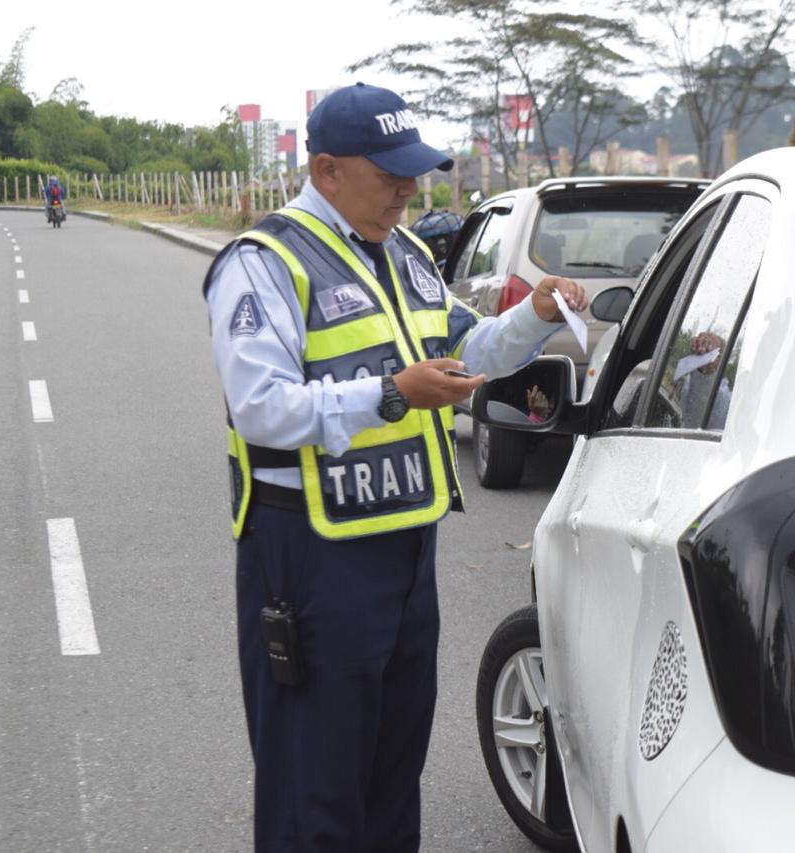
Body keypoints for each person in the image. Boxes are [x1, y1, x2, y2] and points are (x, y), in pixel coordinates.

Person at [201, 83, 587, 852]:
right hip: (312, 555)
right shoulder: (265, 262)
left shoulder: (406, 253)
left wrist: (533, 317)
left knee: (390, 771)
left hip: (407, 550)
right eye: (390, 175)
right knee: (314, 781)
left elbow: (467, 352)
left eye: (413, 172)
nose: (409, 189)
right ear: (327, 169)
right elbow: (261, 407)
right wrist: (389, 395)